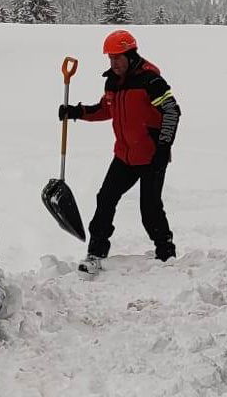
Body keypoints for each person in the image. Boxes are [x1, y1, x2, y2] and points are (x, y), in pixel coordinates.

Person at [61, 30, 180, 271]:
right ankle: (95, 252)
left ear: (130, 55)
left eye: (118, 58)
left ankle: (166, 254)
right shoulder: (113, 82)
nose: (113, 63)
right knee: (105, 198)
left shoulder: (151, 81)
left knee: (150, 209)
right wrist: (77, 112)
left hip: (151, 156)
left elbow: (172, 112)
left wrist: (163, 147)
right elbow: (106, 110)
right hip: (124, 156)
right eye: (110, 58)